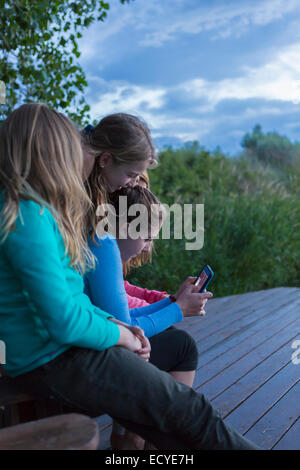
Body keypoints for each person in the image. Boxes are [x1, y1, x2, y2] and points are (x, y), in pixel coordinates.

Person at [0, 104, 260, 450]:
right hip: (55, 357)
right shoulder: (27, 216)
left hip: (59, 351)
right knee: (192, 410)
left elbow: (73, 297)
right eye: (70, 150)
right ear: (48, 156)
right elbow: (63, 319)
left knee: (171, 428)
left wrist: (119, 326)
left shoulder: (38, 212)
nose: (79, 160)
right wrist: (122, 334)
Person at [84, 185, 204, 449]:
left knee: (172, 338)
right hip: (89, 357)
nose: (148, 248)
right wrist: (178, 310)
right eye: (147, 237)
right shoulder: (104, 248)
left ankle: (134, 437)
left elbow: (122, 316)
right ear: (126, 226)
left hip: (92, 343)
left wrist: (173, 302)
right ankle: (144, 441)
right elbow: (128, 326)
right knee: (183, 347)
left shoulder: (100, 240)